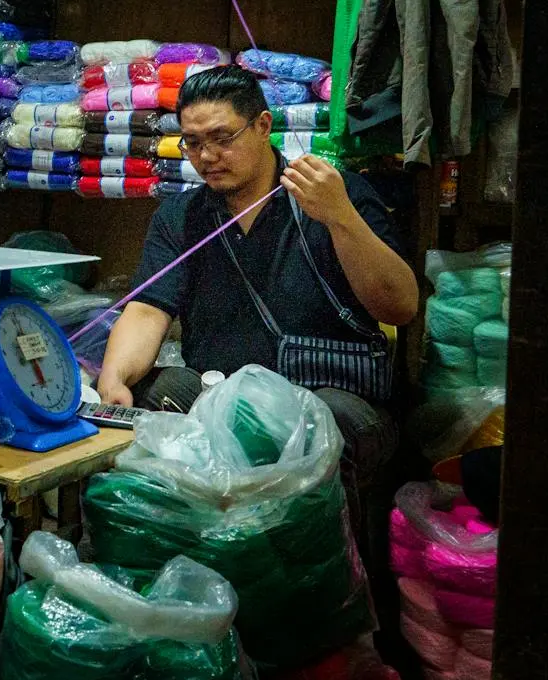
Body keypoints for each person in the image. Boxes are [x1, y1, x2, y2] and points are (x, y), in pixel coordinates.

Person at [97, 65, 419, 501]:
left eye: (222, 138)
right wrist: (114, 378)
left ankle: (325, 564)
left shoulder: (334, 195)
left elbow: (400, 307)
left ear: (263, 126)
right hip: (221, 399)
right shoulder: (182, 216)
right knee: (154, 393)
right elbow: (148, 308)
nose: (206, 156)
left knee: (327, 423)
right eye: (192, 143)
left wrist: (341, 218)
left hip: (326, 398)